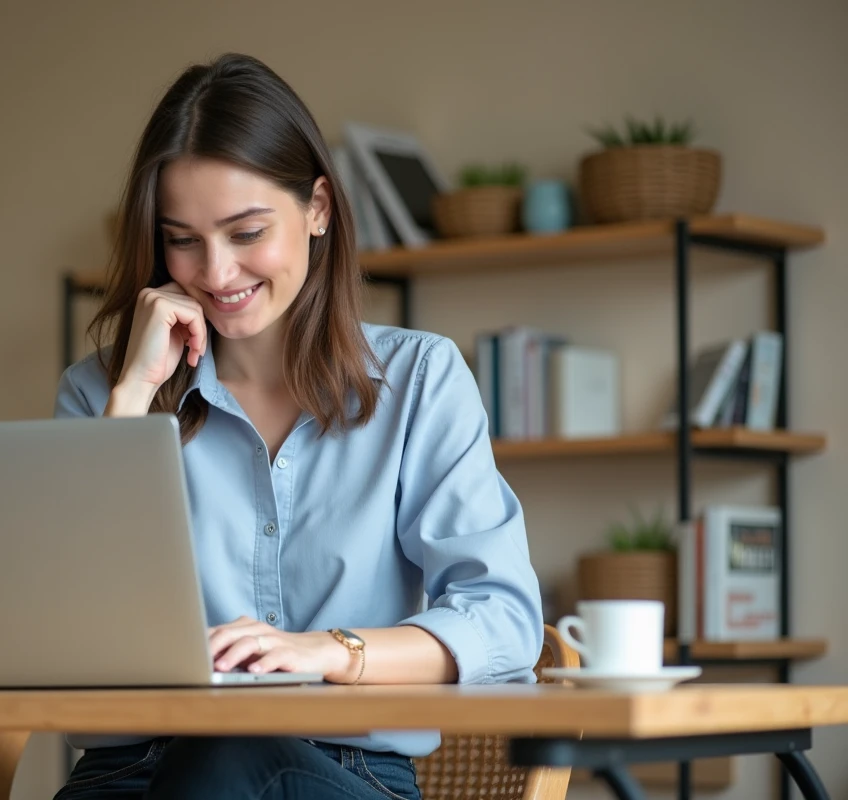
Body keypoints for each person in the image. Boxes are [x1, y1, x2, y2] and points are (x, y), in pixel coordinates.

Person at [52, 52, 542, 800]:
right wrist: (135, 397)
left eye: (246, 233)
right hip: (128, 774)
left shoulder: (419, 381)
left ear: (317, 208)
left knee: (226, 762)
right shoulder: (101, 394)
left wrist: (328, 652)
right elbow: (72, 635)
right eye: (182, 240)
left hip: (342, 775)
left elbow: (504, 620)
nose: (215, 274)